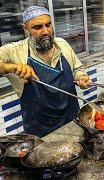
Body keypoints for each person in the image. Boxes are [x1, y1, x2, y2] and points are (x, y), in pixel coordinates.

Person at [0, 6, 90, 137]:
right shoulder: (15, 51)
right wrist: (12, 67)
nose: (45, 31)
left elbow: (77, 69)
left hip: (73, 122)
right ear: (25, 28)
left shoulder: (62, 44)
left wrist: (81, 76)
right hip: (40, 131)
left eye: (48, 25)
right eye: (37, 27)